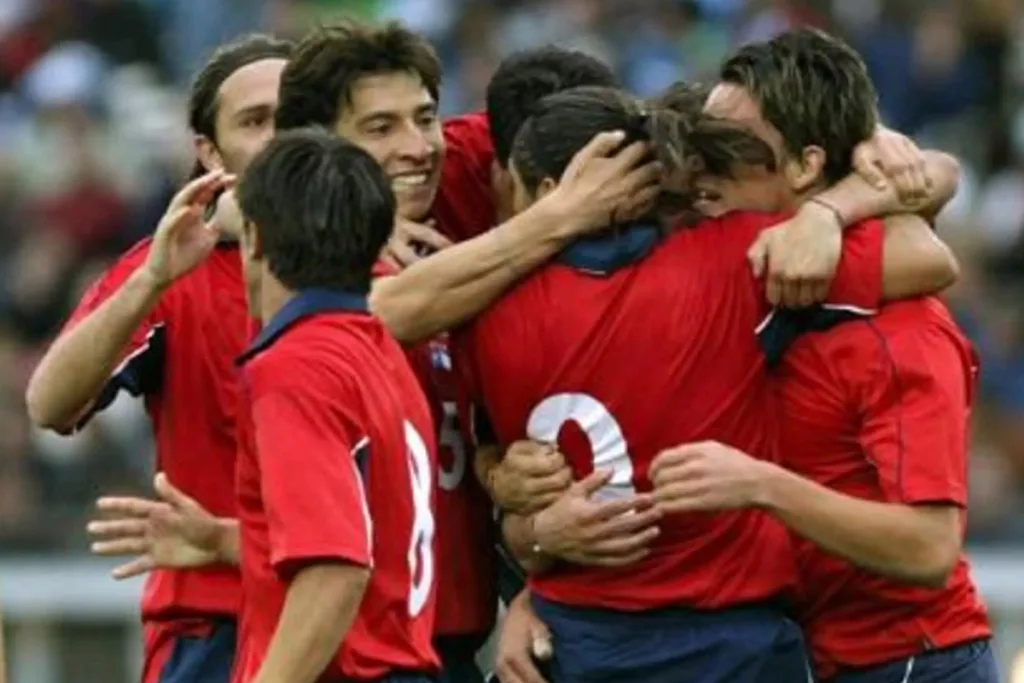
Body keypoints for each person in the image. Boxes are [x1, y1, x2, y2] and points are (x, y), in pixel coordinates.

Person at [465, 85, 958, 683]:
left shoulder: (479, 315)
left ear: (546, 193)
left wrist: (525, 544)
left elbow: (503, 479)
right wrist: (830, 212)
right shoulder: (728, 262)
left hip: (577, 642)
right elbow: (928, 256)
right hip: (738, 646)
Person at [647, 28, 997, 683]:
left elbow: (928, 546)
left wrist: (760, 485)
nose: (704, 168)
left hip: (914, 663)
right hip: (811, 654)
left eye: (731, 147)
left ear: (805, 165)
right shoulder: (740, 279)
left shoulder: (900, 329)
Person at [26, 33, 293, 683]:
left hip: (362, 618)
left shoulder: (390, 266)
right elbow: (49, 402)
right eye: (256, 121)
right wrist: (149, 280)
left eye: (297, 116)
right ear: (208, 150)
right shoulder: (176, 270)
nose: (281, 137)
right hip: (213, 628)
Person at [227, 128, 440, 683]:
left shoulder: (295, 367)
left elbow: (335, 570)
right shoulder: (379, 350)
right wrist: (222, 539)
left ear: (253, 237)